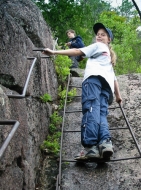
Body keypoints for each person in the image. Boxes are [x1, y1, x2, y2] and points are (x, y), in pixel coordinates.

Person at [43, 23, 122, 160]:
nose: (99, 36)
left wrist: (55, 52)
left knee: (91, 109)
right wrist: (118, 96)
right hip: (106, 88)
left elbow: (78, 51)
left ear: (109, 39)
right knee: (101, 114)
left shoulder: (98, 46)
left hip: (93, 81)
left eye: (103, 35)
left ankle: (91, 147)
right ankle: (105, 143)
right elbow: (114, 78)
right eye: (98, 34)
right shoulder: (108, 56)